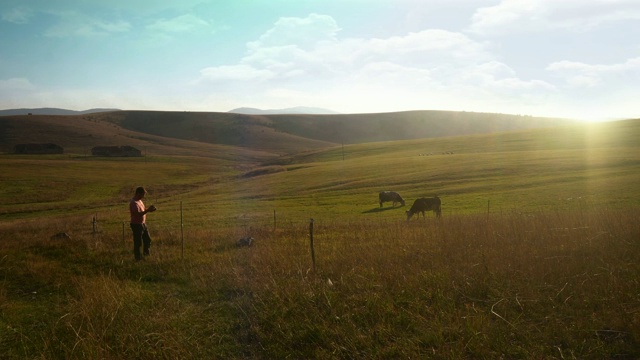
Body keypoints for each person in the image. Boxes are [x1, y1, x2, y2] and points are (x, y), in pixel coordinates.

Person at [129, 186, 156, 261]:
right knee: (138, 242)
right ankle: (138, 258)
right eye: (142, 194)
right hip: (136, 224)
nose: (143, 196)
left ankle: (146, 254)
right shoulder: (134, 203)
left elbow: (143, 210)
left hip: (142, 223)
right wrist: (148, 210)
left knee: (147, 239)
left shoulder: (139, 201)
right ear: (138, 193)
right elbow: (138, 214)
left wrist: (150, 210)